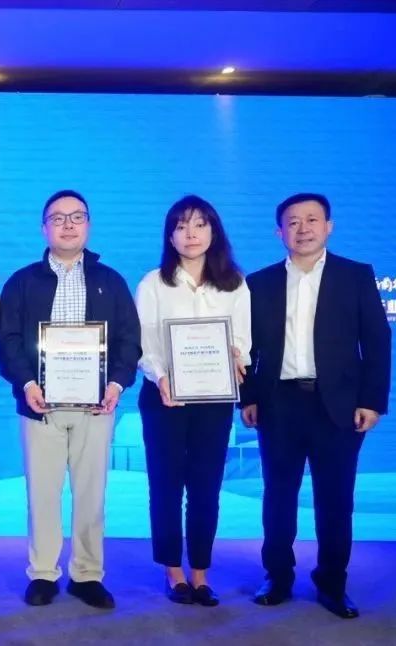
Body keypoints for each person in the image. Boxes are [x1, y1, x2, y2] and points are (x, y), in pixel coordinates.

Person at [241, 193, 390, 619]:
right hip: (279, 404)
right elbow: (246, 347)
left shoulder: (355, 275)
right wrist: (249, 397)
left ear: (329, 227)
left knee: (335, 499)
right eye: (293, 222)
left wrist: (372, 401)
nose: (302, 229)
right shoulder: (260, 282)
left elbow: (377, 340)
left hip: (338, 406)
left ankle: (332, 583)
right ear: (279, 232)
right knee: (278, 496)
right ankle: (277, 577)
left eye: (312, 219)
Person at [0, 190, 141, 608]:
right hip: (39, 405)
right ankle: (43, 573)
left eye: (77, 217)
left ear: (89, 225)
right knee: (42, 494)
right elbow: (7, 341)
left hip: (96, 407)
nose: (68, 225)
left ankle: (87, 575)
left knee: (91, 494)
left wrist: (116, 385)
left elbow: (130, 340)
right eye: (58, 218)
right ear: (44, 228)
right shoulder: (22, 281)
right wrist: (27, 384)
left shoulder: (110, 281)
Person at [135, 195, 250, 607]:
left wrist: (236, 356)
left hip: (214, 399)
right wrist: (162, 376)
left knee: (206, 486)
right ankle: (173, 570)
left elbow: (243, 339)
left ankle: (200, 572)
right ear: (170, 236)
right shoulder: (154, 283)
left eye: (200, 224)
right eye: (181, 226)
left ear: (213, 231)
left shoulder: (234, 283)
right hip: (163, 396)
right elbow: (144, 341)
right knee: (165, 485)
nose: (191, 234)